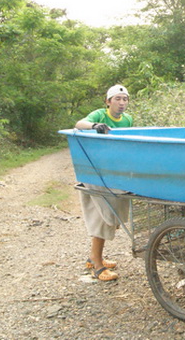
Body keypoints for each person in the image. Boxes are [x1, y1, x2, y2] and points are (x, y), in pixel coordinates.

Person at [74, 84, 133, 281]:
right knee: (104, 214)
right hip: (95, 171)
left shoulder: (127, 120)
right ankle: (97, 266)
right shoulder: (100, 115)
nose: (122, 103)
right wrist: (94, 127)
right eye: (117, 99)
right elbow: (79, 124)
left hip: (114, 172)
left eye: (124, 99)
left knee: (113, 213)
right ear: (108, 101)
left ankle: (94, 257)